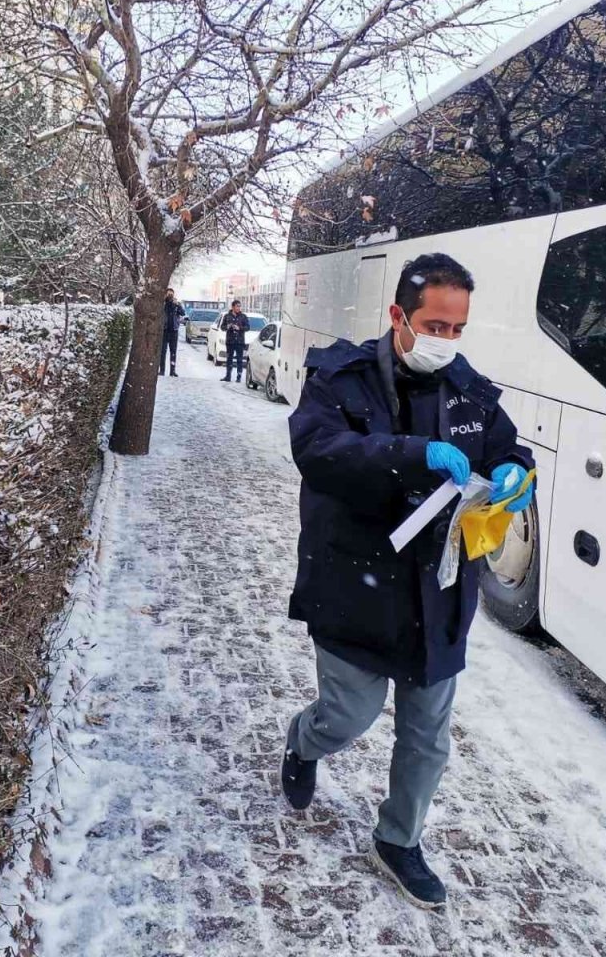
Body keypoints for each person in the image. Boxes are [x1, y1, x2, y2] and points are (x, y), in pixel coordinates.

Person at [281, 253, 535, 909]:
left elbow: (511, 448)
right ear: (398, 315)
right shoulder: (342, 379)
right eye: (434, 325)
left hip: (440, 595)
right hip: (355, 588)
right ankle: (303, 742)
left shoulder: (469, 388)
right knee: (348, 717)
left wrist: (512, 472)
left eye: (457, 328)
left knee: (427, 739)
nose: (446, 341)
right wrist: (411, 454)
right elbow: (318, 452)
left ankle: (399, 840)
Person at [220, 299, 249, 383]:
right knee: (229, 359)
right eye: (237, 306)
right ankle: (228, 376)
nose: (239, 308)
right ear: (233, 307)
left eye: (239, 306)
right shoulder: (227, 316)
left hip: (240, 342)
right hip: (230, 341)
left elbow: (247, 327)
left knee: (239, 359)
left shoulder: (243, 316)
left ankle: (238, 377)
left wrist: (239, 328)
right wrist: (227, 327)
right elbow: (222, 327)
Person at [162, 288, 186, 377]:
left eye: (171, 294)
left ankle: (172, 371)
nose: (170, 296)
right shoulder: (162, 303)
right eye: (168, 294)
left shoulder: (176, 304)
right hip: (164, 330)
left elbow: (183, 313)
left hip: (174, 331)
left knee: (173, 352)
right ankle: (162, 370)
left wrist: (178, 305)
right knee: (162, 352)